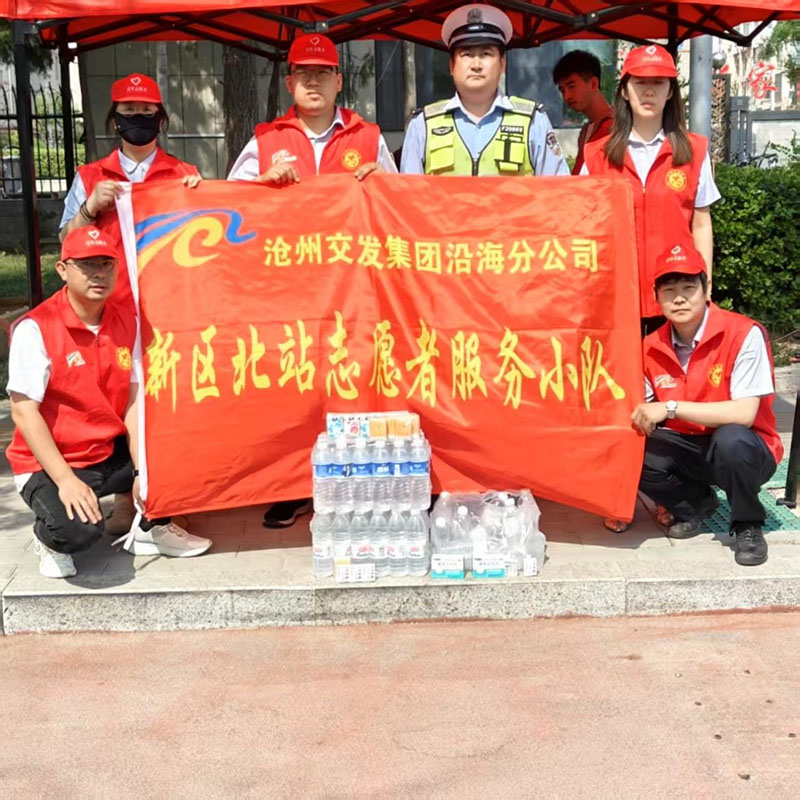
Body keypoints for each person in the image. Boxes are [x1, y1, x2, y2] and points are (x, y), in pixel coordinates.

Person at [6, 227, 212, 579]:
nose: (98, 273)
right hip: (49, 462)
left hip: (105, 450)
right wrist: (66, 480)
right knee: (80, 532)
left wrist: (141, 470)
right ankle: (48, 539)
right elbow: (24, 413)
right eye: (87, 265)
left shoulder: (126, 321)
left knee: (178, 451)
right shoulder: (36, 328)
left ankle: (150, 529)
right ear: (62, 270)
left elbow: (132, 400)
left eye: (106, 264)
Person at [59, 72, 201, 535]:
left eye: (146, 111)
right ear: (114, 118)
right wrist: (89, 209)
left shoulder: (182, 173)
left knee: (169, 398)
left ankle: (173, 494)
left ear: (160, 118)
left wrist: (200, 196)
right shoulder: (91, 176)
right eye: (128, 111)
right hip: (112, 311)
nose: (137, 118)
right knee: (118, 398)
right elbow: (65, 240)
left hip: (168, 310)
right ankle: (128, 494)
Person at [624, 243, 783, 566]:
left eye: (688, 288)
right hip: (688, 446)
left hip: (747, 448)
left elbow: (744, 414)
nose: (679, 299)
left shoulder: (743, 333)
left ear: (706, 289)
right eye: (669, 291)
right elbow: (641, 409)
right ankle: (695, 504)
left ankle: (748, 525)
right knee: (630, 447)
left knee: (731, 438)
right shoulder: (649, 347)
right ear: (656, 297)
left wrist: (671, 407)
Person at [581, 44, 720, 333]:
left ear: (670, 92)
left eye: (658, 83)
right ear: (624, 90)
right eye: (640, 83)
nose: (649, 92)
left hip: (676, 294)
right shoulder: (596, 156)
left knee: (670, 364)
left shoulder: (694, 151)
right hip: (615, 293)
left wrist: (705, 286)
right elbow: (583, 226)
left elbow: (701, 223)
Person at [400, 3, 569, 177]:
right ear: (451, 65)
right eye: (467, 54)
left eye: (486, 54)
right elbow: (407, 191)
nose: (476, 65)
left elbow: (558, 189)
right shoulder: (424, 125)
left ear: (503, 64)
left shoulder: (533, 121)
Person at [227, 33, 397, 184]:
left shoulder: (369, 138)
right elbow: (232, 199)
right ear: (289, 83)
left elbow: (398, 199)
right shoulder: (264, 140)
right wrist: (260, 182)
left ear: (339, 82)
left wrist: (384, 183)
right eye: (303, 73)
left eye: (323, 72)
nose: (313, 82)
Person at [552, 49, 614, 174]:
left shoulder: (617, 127)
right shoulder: (586, 131)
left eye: (571, 86)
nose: (566, 96)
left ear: (593, 84)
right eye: (562, 90)